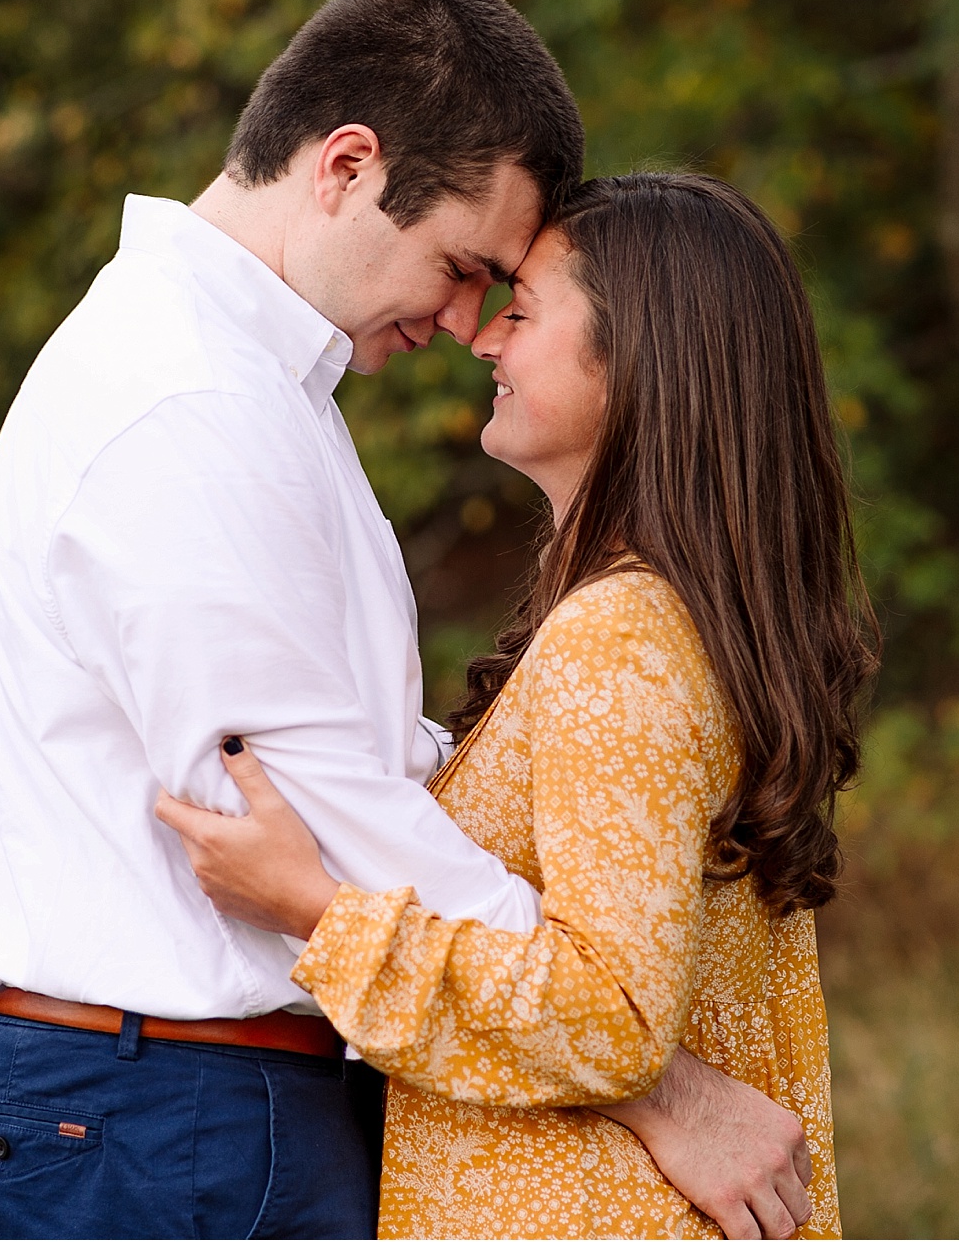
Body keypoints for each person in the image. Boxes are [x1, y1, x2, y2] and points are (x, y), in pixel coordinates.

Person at [0, 0, 813, 1240]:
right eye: (463, 268)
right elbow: (310, 814)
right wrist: (654, 1081)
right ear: (346, 165)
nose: (465, 323)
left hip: (195, 1097)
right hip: (166, 1109)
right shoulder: (189, 403)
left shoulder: (256, 390)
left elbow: (375, 776)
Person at [157, 172, 881, 1238]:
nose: (483, 340)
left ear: (638, 359)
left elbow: (610, 1015)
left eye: (524, 311)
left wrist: (317, 911)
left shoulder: (619, 640)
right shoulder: (657, 625)